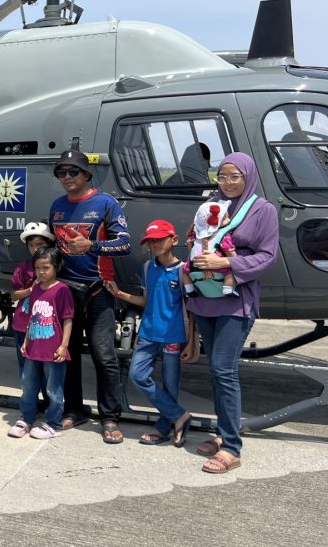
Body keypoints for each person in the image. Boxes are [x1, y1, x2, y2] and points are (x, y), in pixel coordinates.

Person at [186, 152, 279, 474]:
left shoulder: (263, 211)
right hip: (206, 296)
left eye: (234, 176)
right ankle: (224, 435)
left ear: (248, 177)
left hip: (237, 300)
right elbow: (195, 239)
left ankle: (232, 448)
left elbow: (268, 257)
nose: (227, 183)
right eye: (222, 176)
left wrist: (226, 262)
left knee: (224, 371)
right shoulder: (210, 206)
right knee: (215, 371)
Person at [48, 149, 132, 443]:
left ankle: (109, 417)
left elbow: (124, 244)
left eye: (73, 172)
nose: (67, 177)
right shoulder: (57, 206)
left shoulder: (106, 203)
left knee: (104, 355)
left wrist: (93, 246)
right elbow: (54, 250)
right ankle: (74, 409)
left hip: (98, 291)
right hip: (66, 293)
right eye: (62, 173)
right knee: (66, 355)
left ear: (86, 174)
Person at [106, 220, 195, 447]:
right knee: (138, 375)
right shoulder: (147, 268)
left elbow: (192, 307)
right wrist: (121, 294)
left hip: (173, 336)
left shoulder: (182, 270)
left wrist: (192, 341)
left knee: (170, 384)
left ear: (173, 240)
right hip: (147, 333)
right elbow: (144, 301)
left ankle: (165, 427)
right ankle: (179, 416)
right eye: (150, 241)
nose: (155, 244)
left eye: (159, 239)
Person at [9, 246, 74, 439]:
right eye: (38, 268)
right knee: (28, 384)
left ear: (56, 267)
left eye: (46, 267)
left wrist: (63, 345)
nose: (41, 272)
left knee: (53, 388)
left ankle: (54, 423)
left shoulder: (62, 290)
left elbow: (68, 319)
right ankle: (26, 418)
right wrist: (26, 341)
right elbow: (31, 317)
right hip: (33, 348)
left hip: (53, 350)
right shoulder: (35, 288)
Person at [10, 222, 56, 408]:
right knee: (27, 371)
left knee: (48, 371)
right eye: (31, 245)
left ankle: (49, 406)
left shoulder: (55, 268)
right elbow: (15, 294)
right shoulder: (23, 268)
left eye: (40, 244)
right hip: (23, 326)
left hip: (46, 329)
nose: (35, 248)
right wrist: (32, 288)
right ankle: (30, 406)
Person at [182, 200, 238, 296]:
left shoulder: (194, 235)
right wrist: (236, 261)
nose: (229, 220)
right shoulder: (223, 236)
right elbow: (231, 254)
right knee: (231, 271)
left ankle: (189, 288)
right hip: (216, 267)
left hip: (193, 267)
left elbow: (190, 248)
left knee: (184, 270)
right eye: (224, 219)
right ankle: (227, 288)